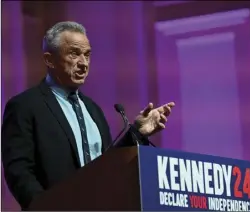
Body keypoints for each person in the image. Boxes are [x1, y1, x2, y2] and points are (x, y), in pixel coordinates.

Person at [1, 21, 175, 210]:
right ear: (49, 60)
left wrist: (136, 133)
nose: (83, 63)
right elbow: (19, 171)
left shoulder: (93, 110)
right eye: (74, 54)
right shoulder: (25, 105)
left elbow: (107, 165)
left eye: (87, 54)